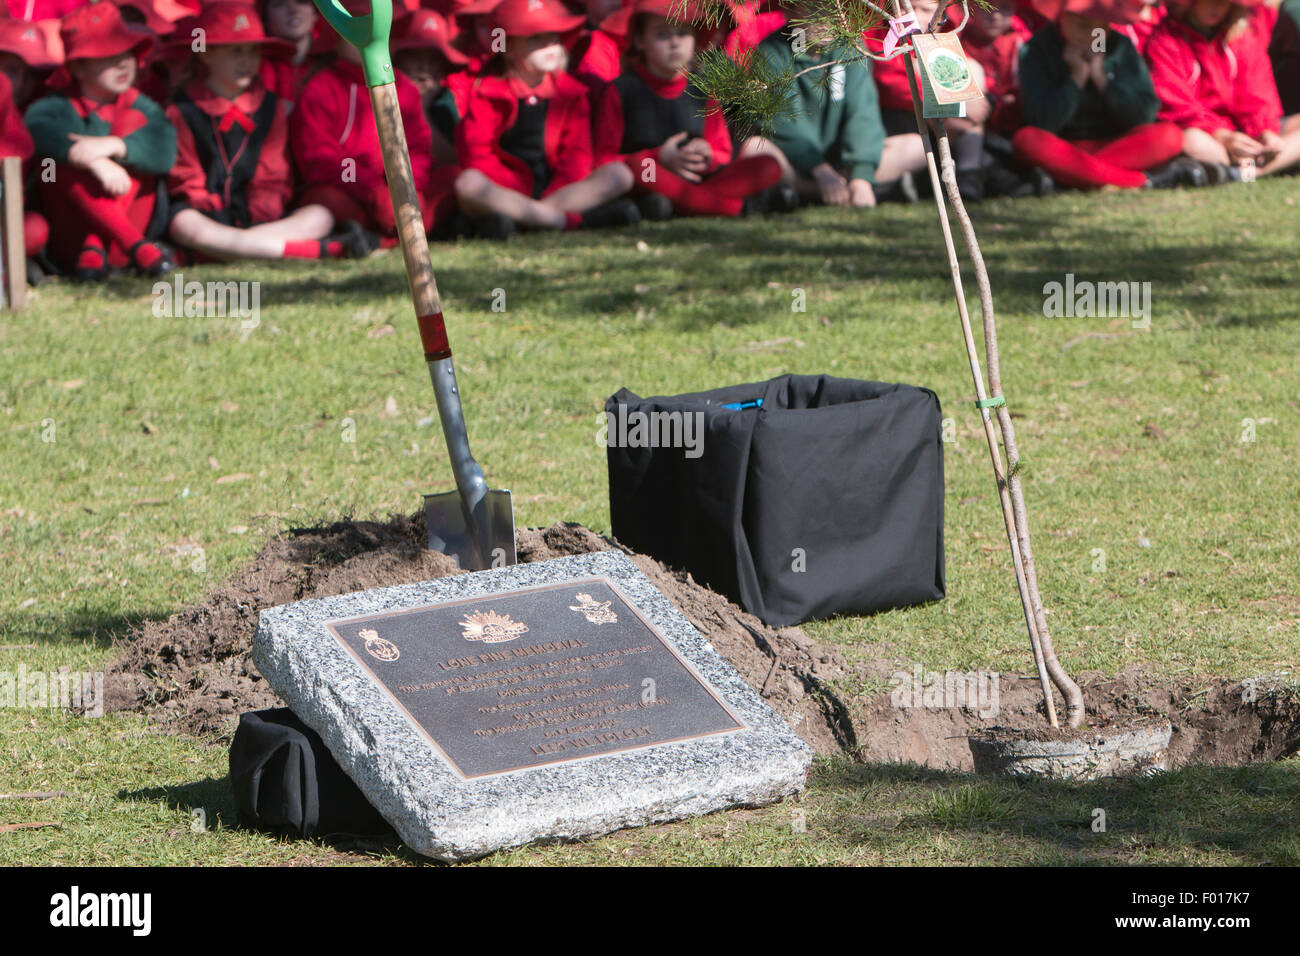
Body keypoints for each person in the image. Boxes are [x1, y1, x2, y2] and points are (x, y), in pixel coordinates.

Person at [165, 2, 371, 261]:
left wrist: (256, 215)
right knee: (184, 224)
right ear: (205, 54)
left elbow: (273, 176)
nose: (247, 61)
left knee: (319, 215)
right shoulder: (182, 109)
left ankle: (229, 249)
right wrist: (213, 209)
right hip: (209, 217)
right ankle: (318, 251)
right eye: (235, 52)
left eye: (253, 51)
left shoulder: (269, 106)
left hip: (262, 220)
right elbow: (186, 176)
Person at [453, 0, 639, 238]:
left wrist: (551, 196)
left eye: (553, 36)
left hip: (559, 194)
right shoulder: (486, 94)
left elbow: (576, 157)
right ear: (508, 48)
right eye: (535, 38)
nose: (550, 45)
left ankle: (531, 219)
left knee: (619, 175)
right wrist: (517, 195)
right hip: (505, 192)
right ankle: (567, 221)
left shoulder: (571, 94)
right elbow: (477, 156)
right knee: (467, 184)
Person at [24, 3, 177, 279]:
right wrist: (88, 159)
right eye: (108, 55)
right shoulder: (57, 106)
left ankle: (103, 246)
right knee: (53, 163)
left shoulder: (140, 106)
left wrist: (116, 146)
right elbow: (35, 129)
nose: (122, 62)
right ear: (79, 68)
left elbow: (165, 150)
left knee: (136, 128)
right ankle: (133, 247)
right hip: (71, 242)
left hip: (121, 244)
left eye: (126, 52)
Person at [593, 0, 786, 219]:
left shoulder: (704, 88)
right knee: (639, 167)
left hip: (698, 181)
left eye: (683, 32)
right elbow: (603, 161)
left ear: (695, 38)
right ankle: (738, 208)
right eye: (662, 35)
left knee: (769, 165)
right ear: (639, 40)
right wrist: (659, 157)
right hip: (651, 179)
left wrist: (706, 156)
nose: (674, 42)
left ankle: (684, 204)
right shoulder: (621, 90)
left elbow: (722, 152)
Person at [291, 0, 441, 238]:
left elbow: (418, 147)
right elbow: (320, 160)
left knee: (447, 183)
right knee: (324, 201)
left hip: (395, 190)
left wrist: (407, 187)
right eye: (360, 24)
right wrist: (373, 192)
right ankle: (365, 233)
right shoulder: (321, 88)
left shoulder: (404, 88)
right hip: (350, 193)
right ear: (337, 37)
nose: (370, 34)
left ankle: (397, 228)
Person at [1013, 0, 1202, 188]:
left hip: (1117, 145)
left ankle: (1071, 177)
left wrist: (1102, 79)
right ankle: (1142, 182)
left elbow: (1143, 116)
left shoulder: (1120, 47)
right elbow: (1041, 121)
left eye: (1102, 27)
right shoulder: (1036, 50)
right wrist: (1076, 80)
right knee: (1026, 139)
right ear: (1062, 17)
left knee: (1170, 136)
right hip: (1062, 145)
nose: (1093, 33)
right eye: (1083, 25)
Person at [740, 5, 894, 207]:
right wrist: (818, 168)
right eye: (815, 13)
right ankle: (812, 191)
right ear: (792, 14)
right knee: (753, 149)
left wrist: (861, 175)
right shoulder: (772, 51)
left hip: (843, 159)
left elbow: (862, 113)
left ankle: (854, 186)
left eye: (832, 12)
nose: (826, 22)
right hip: (796, 161)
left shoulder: (852, 47)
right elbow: (782, 119)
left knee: (914, 146)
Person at [1146, 0, 1300, 179]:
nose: (1217, 8)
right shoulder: (1165, 40)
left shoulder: (1241, 36)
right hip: (1209, 135)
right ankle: (1256, 169)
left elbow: (1257, 94)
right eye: (1211, 2)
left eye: (1225, 3)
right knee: (1191, 141)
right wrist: (1221, 135)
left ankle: (1243, 172)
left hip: (1243, 135)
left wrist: (1265, 132)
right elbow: (1177, 106)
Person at [864, 0, 991, 200]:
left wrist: (969, 98)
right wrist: (950, 101)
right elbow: (892, 85)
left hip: (934, 124)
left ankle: (969, 176)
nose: (914, 16)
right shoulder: (879, 38)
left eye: (925, 10)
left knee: (973, 70)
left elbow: (963, 75)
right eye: (908, 8)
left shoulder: (941, 39)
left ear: (940, 16)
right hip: (895, 122)